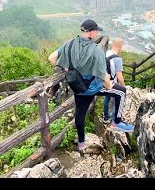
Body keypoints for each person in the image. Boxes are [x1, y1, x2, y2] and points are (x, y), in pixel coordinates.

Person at [48, 19, 134, 151]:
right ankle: (116, 122)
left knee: (80, 114)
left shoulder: (69, 44)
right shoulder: (96, 51)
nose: (97, 33)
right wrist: (110, 86)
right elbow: (104, 78)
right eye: (96, 31)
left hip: (77, 87)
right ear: (92, 33)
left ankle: (82, 143)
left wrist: (68, 70)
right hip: (92, 88)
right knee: (121, 91)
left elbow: (51, 58)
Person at [101, 38, 125, 124]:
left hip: (105, 81)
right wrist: (123, 86)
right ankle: (115, 120)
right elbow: (119, 76)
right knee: (118, 98)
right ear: (120, 46)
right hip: (113, 82)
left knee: (107, 99)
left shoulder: (107, 53)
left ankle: (106, 117)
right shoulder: (118, 59)